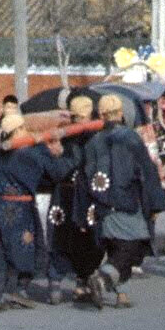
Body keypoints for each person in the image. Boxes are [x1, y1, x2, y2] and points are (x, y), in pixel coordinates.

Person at [0, 111, 75, 312]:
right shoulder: (32, 153)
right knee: (26, 245)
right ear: (20, 129)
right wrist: (71, 156)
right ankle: (19, 290)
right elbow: (57, 172)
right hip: (21, 207)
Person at [79, 93, 164, 308]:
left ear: (102, 114)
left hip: (99, 203)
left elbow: (84, 176)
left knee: (115, 247)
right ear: (121, 114)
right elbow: (147, 170)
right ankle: (103, 277)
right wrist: (156, 203)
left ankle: (121, 294)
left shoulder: (92, 142)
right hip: (127, 202)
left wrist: (82, 210)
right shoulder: (131, 138)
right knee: (133, 245)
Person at [52, 92, 104, 301]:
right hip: (68, 192)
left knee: (92, 237)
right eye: (74, 118)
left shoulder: (97, 136)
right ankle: (73, 280)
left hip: (90, 192)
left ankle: (88, 277)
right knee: (68, 237)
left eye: (80, 117)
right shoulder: (65, 136)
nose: (77, 121)